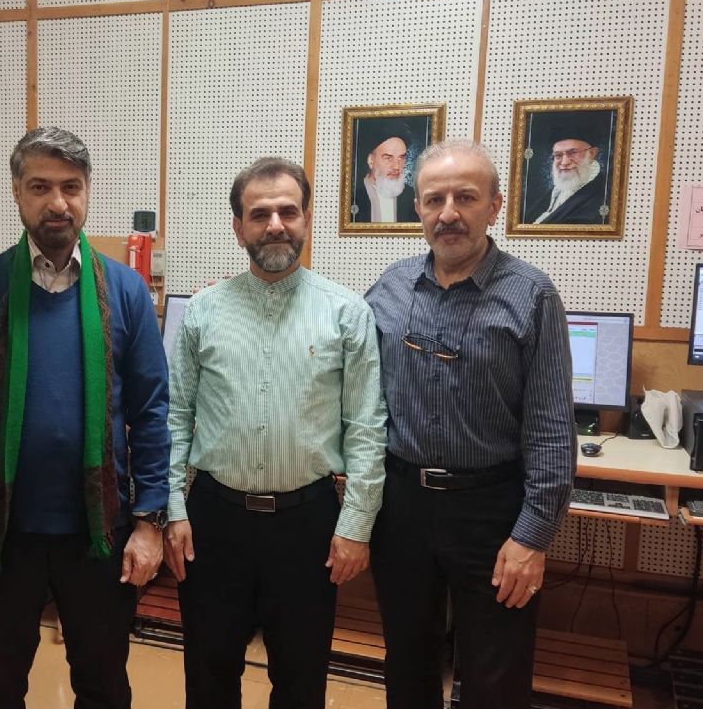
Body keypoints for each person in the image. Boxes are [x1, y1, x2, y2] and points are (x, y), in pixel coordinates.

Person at [0, 127, 170, 709]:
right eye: (40, 187)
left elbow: (152, 414)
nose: (57, 202)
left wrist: (149, 523)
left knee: (104, 686)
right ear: (17, 192)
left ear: (87, 193)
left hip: (100, 535)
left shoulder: (126, 291)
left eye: (71, 187)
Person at [164, 157, 387, 708]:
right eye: (259, 214)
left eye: (288, 211)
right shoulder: (202, 312)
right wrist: (172, 509)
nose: (275, 225)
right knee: (209, 678)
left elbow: (366, 427)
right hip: (214, 521)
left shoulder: (347, 313)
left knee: (301, 681)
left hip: (307, 525)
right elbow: (174, 417)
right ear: (238, 226)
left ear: (307, 218)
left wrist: (356, 525)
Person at [364, 139, 576, 709]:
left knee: (495, 676)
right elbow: (346, 378)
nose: (449, 213)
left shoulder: (532, 295)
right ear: (417, 208)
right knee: (407, 663)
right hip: (401, 507)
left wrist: (532, 537)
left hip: (493, 511)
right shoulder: (389, 289)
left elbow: (552, 429)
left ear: (495, 205)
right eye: (434, 199)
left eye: (466, 197)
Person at [527, 119, 609, 224]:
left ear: (592, 153)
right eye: (558, 155)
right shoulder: (557, 190)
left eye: (572, 153)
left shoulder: (604, 194)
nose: (564, 162)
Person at [354, 121, 418, 223]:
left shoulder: (412, 197)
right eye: (388, 158)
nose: (396, 166)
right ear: (371, 160)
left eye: (401, 158)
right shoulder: (353, 196)